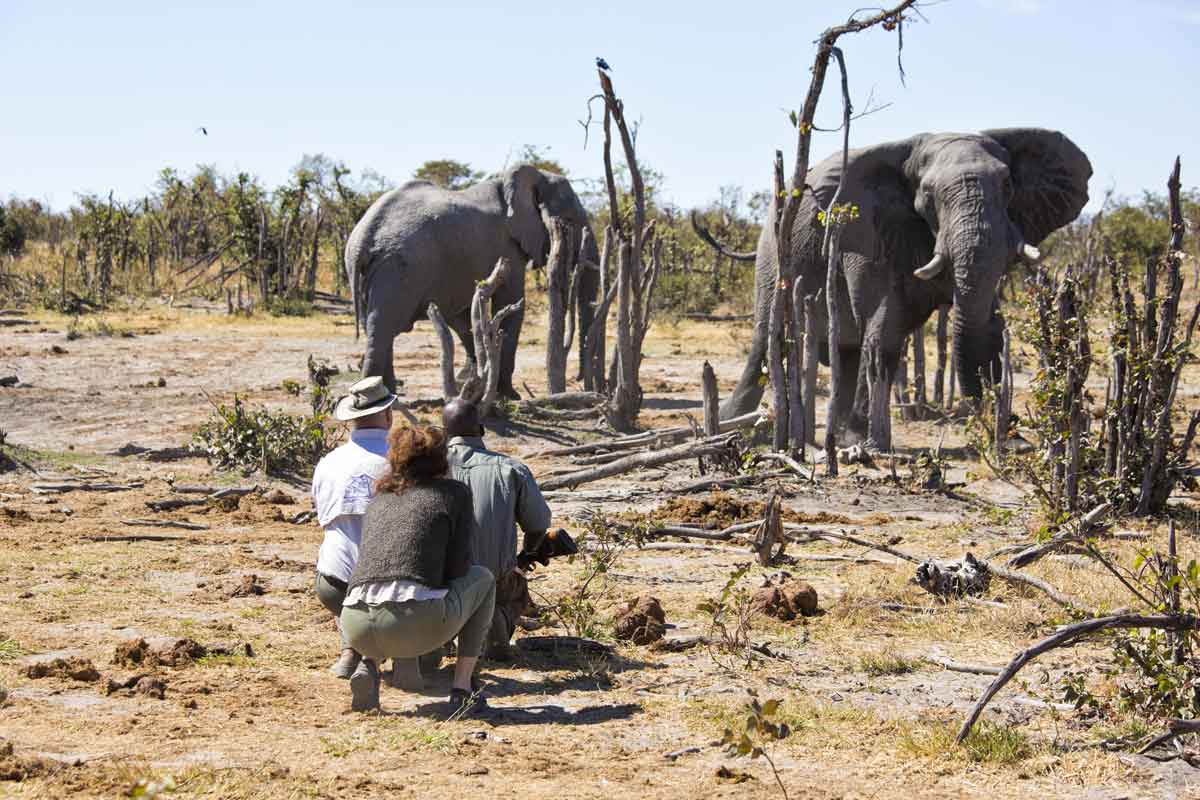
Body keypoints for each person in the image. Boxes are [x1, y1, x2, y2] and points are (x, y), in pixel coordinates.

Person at [340, 425, 496, 714]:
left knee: (385, 585)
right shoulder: (453, 493)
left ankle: (369, 666)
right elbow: (460, 567)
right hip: (411, 623)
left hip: (353, 624)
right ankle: (463, 688)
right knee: (483, 578)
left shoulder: (380, 499)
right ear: (441, 459)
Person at [442, 398, 553, 657]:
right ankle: (497, 619)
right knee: (514, 587)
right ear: (481, 430)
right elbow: (538, 525)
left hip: (440, 579)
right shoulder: (511, 469)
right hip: (492, 577)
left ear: (444, 433)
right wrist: (525, 558)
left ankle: (438, 636)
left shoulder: (426, 469)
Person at [311, 376, 398, 679]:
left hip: (334, 586)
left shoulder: (327, 464)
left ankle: (352, 647)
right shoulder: (401, 462)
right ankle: (397, 657)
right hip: (391, 587)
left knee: (340, 556)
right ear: (389, 414)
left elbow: (323, 518)